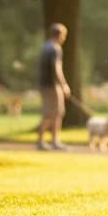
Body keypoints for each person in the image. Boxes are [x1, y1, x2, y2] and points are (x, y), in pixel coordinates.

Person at [37, 22, 71, 151]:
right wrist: (64, 85)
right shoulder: (56, 49)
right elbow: (56, 68)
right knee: (54, 113)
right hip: (52, 85)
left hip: (44, 84)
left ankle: (50, 140)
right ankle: (52, 141)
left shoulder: (44, 47)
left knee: (53, 112)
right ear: (60, 35)